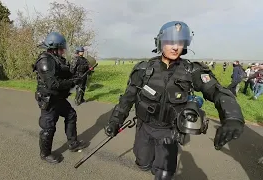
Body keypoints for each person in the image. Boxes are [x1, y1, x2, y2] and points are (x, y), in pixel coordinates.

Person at [104, 21, 245, 180]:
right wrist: (115, 121)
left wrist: (232, 116)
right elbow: (127, 98)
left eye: (179, 42)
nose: (175, 47)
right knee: (143, 163)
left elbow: (217, 90)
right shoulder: (143, 69)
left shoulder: (191, 70)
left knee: (164, 173)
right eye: (170, 42)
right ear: (160, 42)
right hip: (144, 128)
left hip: (170, 132)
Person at [33, 32, 88, 164]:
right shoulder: (45, 60)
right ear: (54, 47)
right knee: (48, 127)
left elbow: (66, 74)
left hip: (59, 98)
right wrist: (72, 82)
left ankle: (72, 143)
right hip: (49, 100)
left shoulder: (57, 59)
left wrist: (77, 76)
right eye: (62, 48)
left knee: (71, 115)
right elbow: (53, 83)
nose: (64, 51)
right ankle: (45, 154)